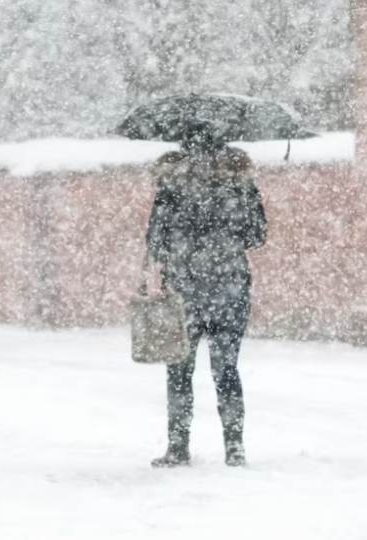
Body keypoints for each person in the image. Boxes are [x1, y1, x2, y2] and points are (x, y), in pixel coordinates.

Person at [145, 126, 267, 468]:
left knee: (179, 371)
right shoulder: (239, 183)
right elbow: (258, 236)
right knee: (227, 370)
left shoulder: (171, 184)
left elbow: (154, 242)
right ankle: (235, 447)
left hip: (183, 290)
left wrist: (181, 242)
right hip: (230, 288)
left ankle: (178, 447)